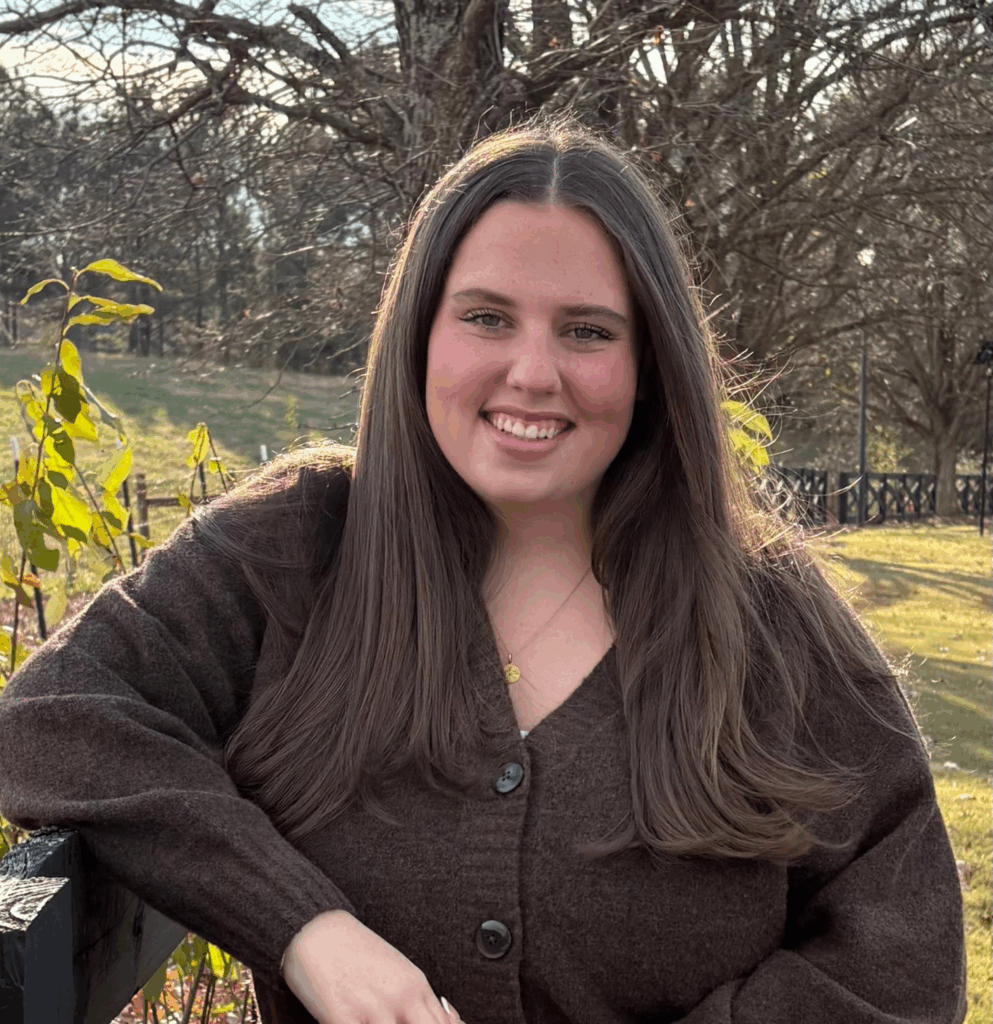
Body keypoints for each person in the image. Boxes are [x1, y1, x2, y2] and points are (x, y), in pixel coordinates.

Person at [0, 116, 967, 1024]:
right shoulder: (298, 548)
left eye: (587, 330)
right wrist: (305, 929)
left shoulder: (767, 617)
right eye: (486, 317)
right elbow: (52, 719)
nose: (532, 373)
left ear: (650, 360)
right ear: (422, 331)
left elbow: (901, 954)